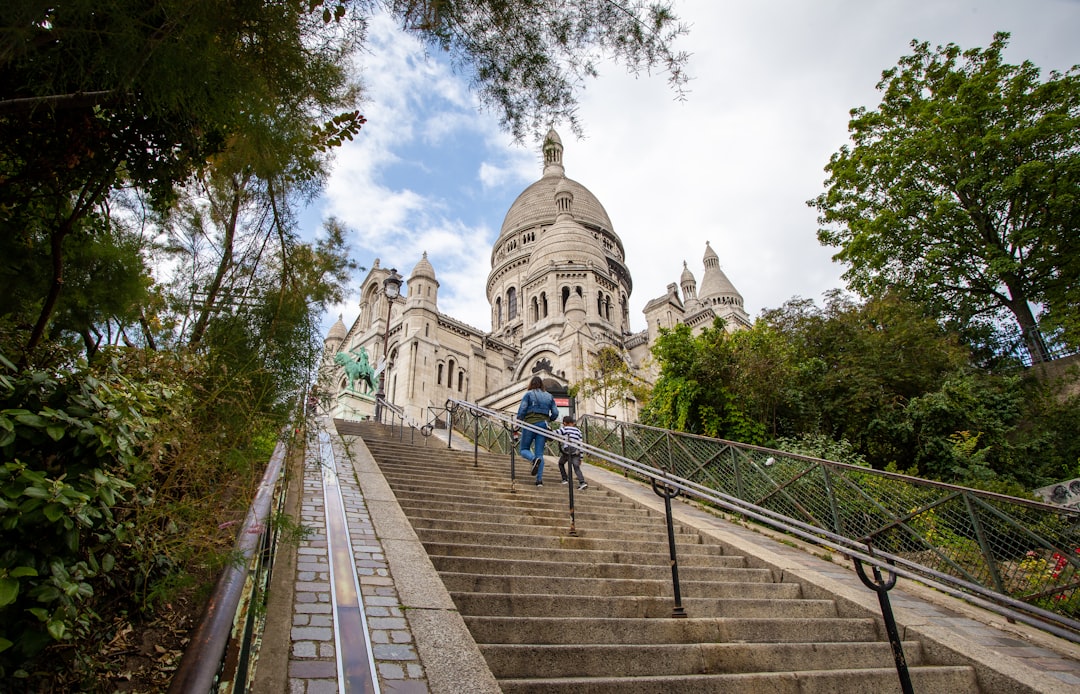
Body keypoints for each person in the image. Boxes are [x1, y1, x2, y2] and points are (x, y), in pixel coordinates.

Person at [515, 376, 559, 486]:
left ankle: (533, 459)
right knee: (540, 454)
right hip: (543, 425)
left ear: (531, 384)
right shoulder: (549, 396)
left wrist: (518, 423)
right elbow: (555, 412)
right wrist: (549, 419)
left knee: (524, 449)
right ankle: (539, 481)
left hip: (530, 424)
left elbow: (522, 410)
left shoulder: (528, 394)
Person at [557, 415, 587, 490]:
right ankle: (582, 482)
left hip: (567, 450)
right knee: (576, 467)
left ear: (564, 423)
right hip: (576, 451)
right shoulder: (578, 431)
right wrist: (581, 457)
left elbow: (556, 432)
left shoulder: (565, 429)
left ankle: (565, 479)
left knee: (561, 463)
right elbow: (581, 444)